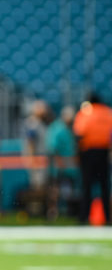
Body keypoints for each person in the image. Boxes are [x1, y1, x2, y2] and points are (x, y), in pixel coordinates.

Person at [73, 93, 112, 224]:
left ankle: (84, 217)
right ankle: (107, 217)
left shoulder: (86, 112)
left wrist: (77, 153)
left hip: (88, 152)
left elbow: (79, 133)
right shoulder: (108, 112)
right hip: (104, 152)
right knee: (105, 186)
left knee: (86, 186)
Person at [45, 106, 79, 219]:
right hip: (58, 167)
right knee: (55, 189)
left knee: (67, 190)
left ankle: (68, 211)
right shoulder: (58, 128)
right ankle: (53, 211)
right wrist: (58, 161)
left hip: (69, 167)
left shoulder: (69, 128)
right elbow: (53, 147)